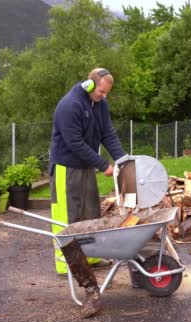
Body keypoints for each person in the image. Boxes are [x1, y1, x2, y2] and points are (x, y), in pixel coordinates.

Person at [49, 68, 126, 275]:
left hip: (86, 165)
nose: (104, 96)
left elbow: (107, 134)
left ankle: (90, 257)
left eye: (107, 93)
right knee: (67, 217)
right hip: (66, 167)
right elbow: (74, 143)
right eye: (101, 92)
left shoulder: (101, 104)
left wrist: (123, 160)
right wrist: (103, 164)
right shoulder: (70, 105)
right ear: (89, 85)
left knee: (90, 213)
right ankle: (67, 265)